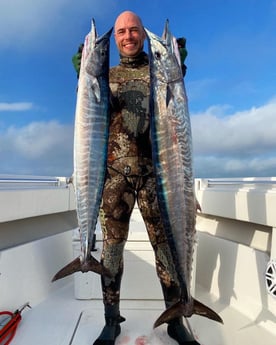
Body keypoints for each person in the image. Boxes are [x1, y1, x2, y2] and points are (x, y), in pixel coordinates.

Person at [74, 11, 197, 345]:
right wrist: (83, 71)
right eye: (121, 32)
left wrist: (176, 61)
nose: (127, 36)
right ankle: (111, 321)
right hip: (113, 179)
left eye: (133, 30)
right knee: (112, 253)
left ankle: (175, 320)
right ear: (115, 39)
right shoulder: (106, 75)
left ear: (142, 34)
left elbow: (177, 114)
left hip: (158, 179)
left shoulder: (158, 72)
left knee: (167, 251)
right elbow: (89, 109)